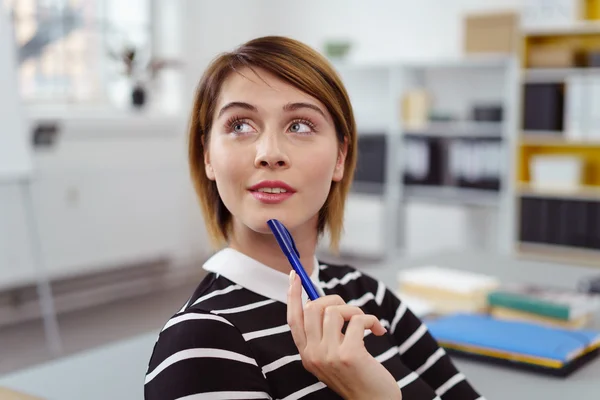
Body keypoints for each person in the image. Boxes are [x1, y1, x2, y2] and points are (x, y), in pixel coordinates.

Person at [144, 36, 484, 400]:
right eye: (240, 125)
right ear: (207, 155)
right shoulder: (198, 343)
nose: (269, 153)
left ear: (340, 156)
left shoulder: (367, 293)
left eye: (300, 126)